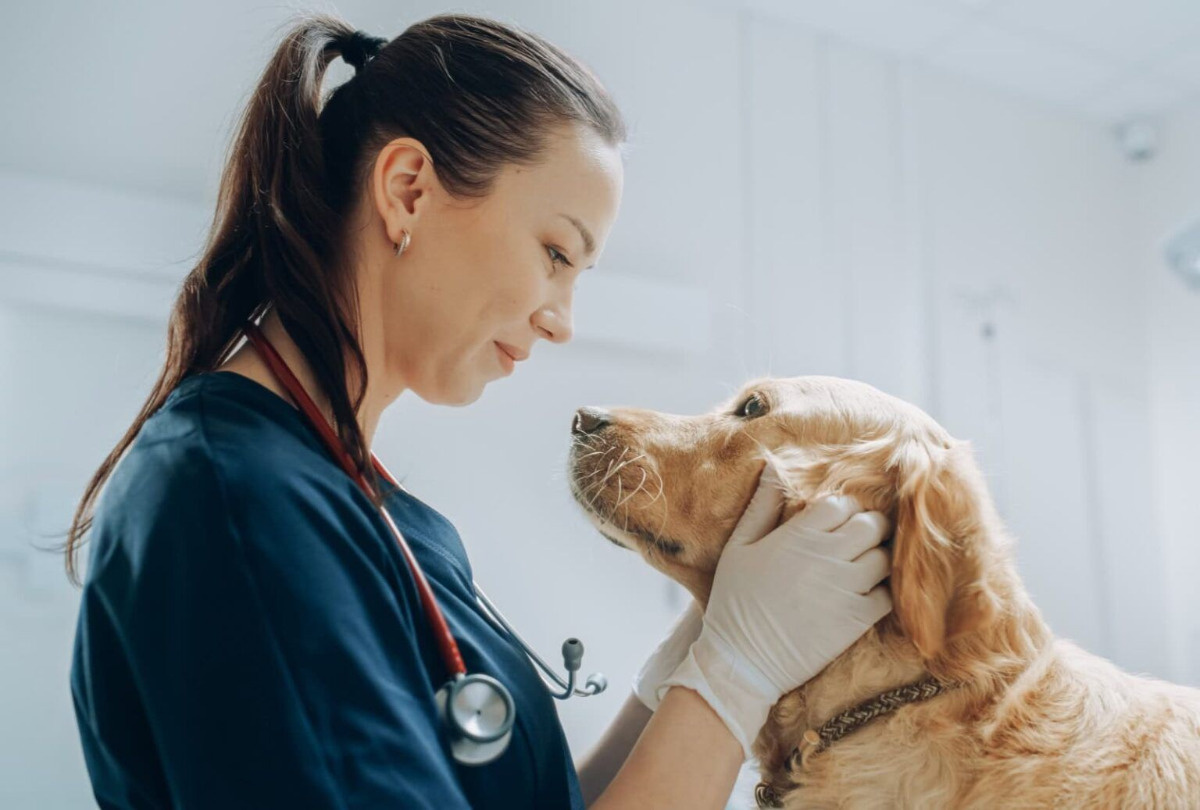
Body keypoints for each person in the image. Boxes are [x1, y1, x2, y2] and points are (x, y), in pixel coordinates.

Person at [64, 12, 892, 809]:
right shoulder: (237, 502)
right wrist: (736, 675)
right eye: (556, 253)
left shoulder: (380, 513)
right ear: (409, 191)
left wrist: (687, 669)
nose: (562, 320)